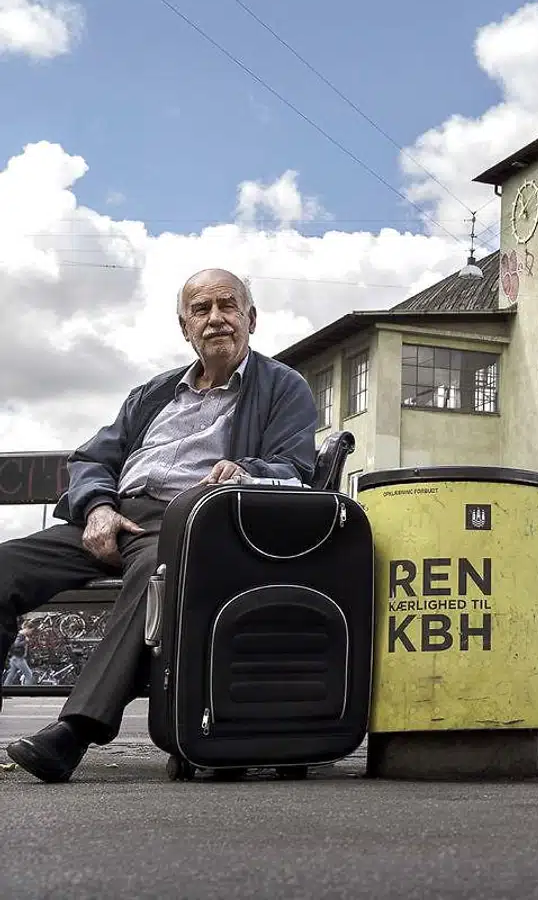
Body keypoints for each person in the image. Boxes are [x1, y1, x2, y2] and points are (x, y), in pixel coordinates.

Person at [1, 269, 319, 782]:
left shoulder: (283, 387)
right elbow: (91, 459)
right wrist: (98, 508)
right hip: (115, 514)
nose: (216, 318)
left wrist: (244, 472)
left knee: (158, 576)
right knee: (5, 566)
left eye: (228, 305)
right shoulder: (153, 393)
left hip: (191, 523)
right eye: (201, 309)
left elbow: (295, 469)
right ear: (184, 326)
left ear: (251, 318)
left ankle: (73, 732)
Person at [4, 620, 36, 686]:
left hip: (15, 658)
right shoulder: (20, 635)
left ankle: (5, 689)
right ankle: (27, 690)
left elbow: (26, 649)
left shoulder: (23, 635)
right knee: (29, 675)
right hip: (18, 658)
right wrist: (25, 641)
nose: (31, 632)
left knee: (11, 676)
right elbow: (16, 644)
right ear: (27, 628)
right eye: (31, 630)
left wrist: (30, 658)